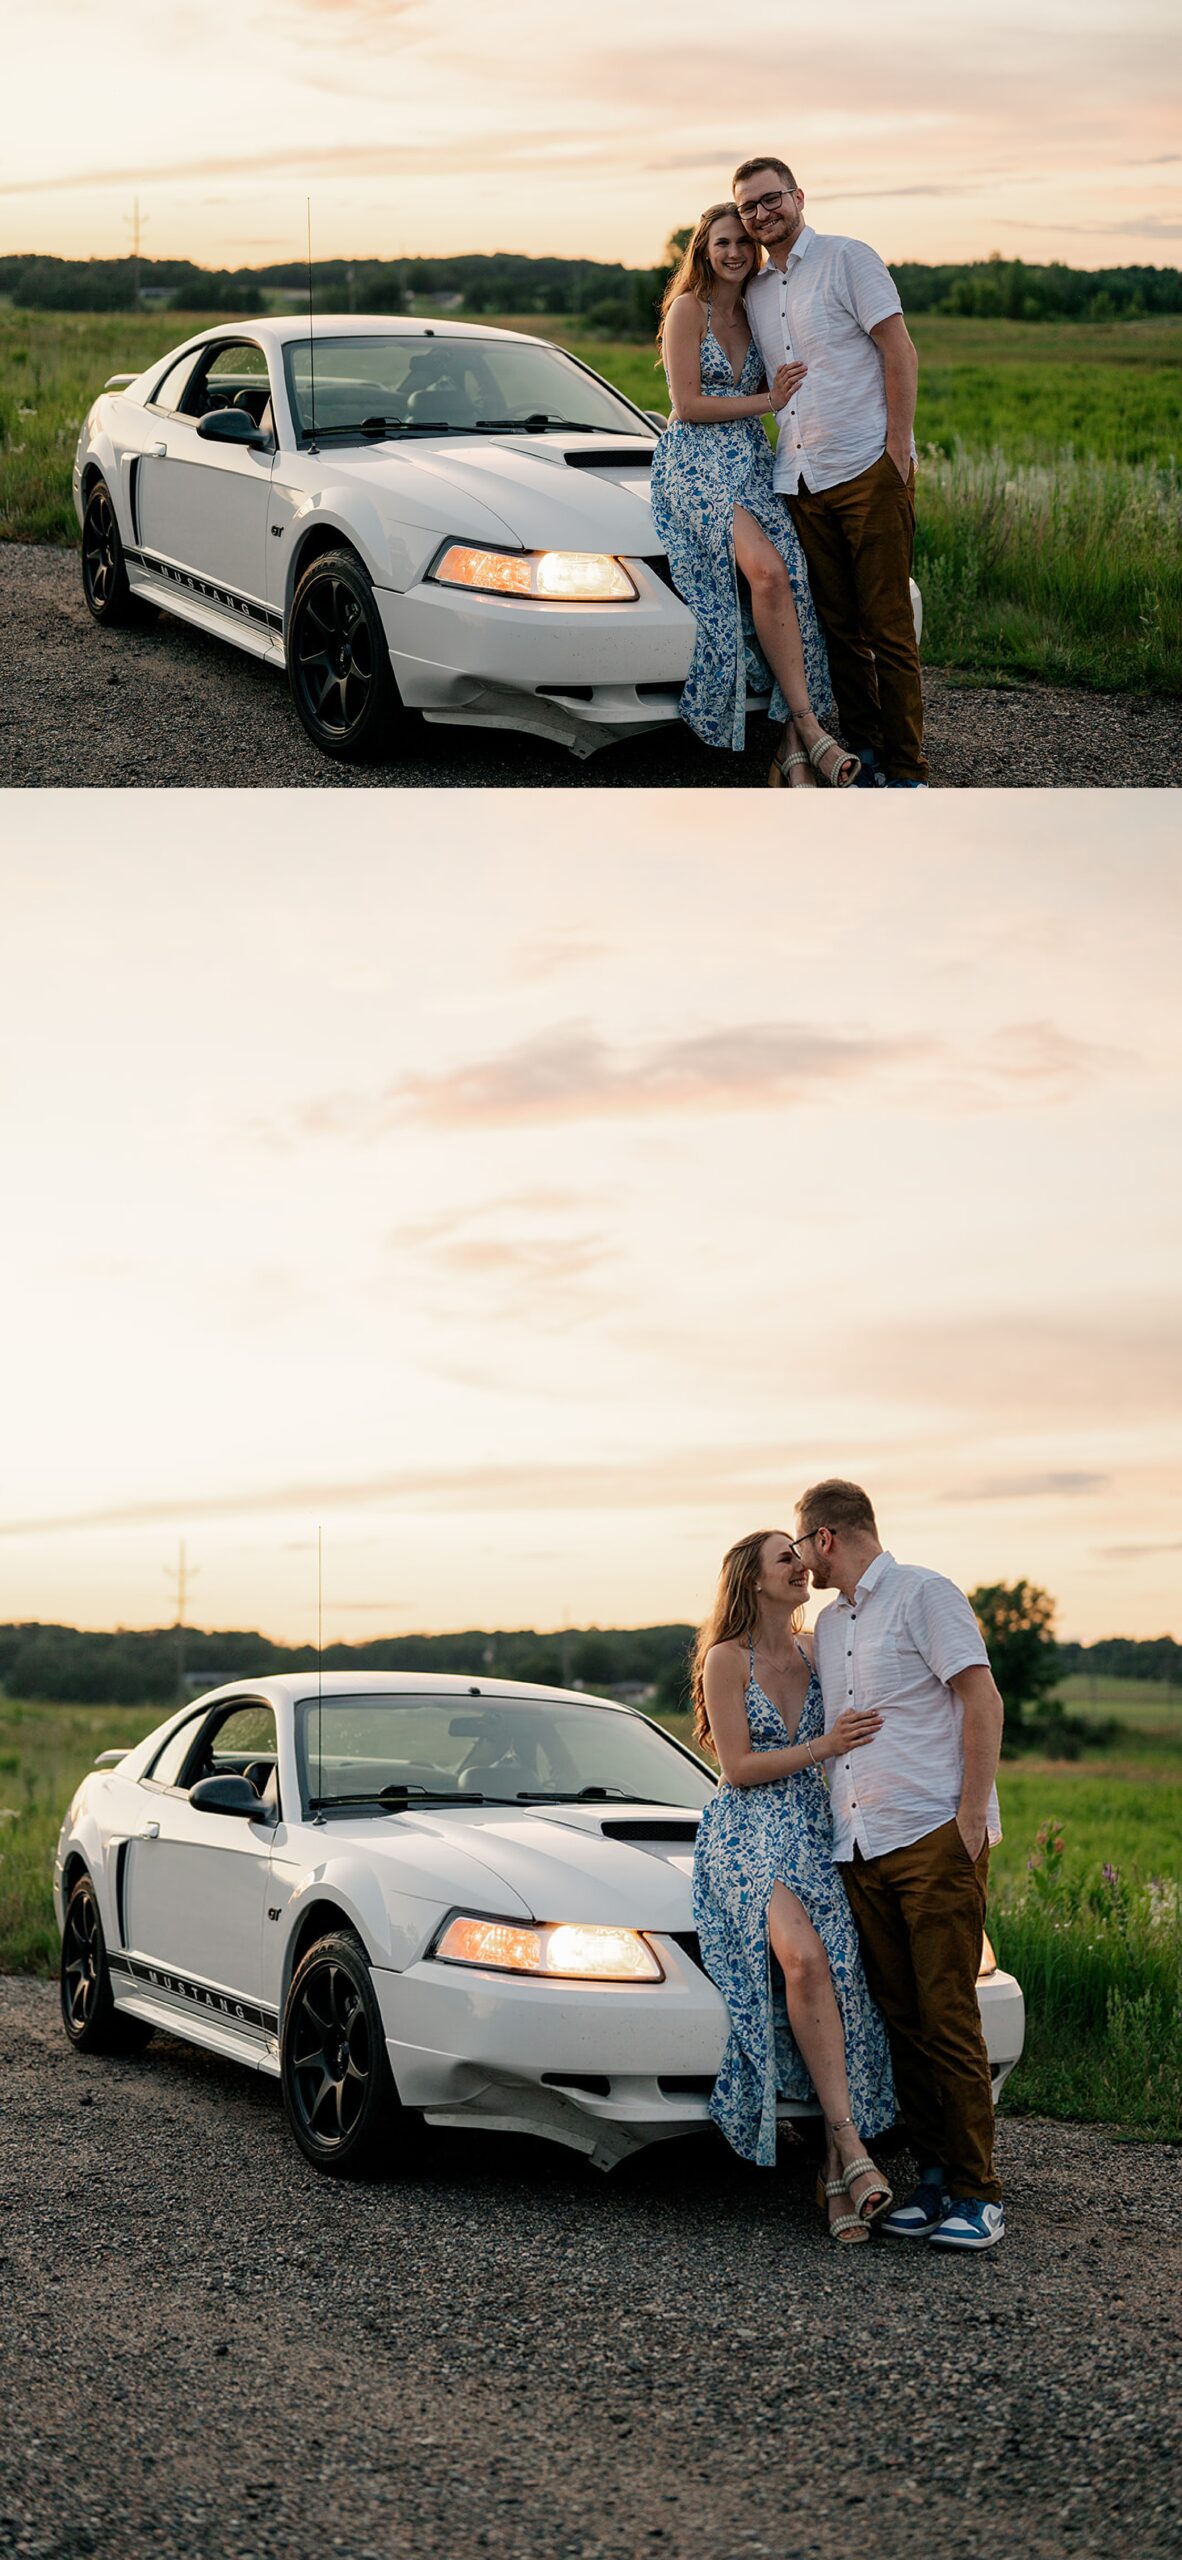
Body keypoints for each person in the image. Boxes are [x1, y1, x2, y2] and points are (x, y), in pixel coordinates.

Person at [794, 1479, 1006, 2251]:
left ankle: (981, 2193)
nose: (802, 1560)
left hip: (930, 1837)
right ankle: (938, 2179)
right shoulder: (825, 1622)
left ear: (825, 1538)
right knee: (903, 2021)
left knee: (948, 2014)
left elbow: (981, 1699)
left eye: (802, 1544)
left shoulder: (925, 1593)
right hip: (860, 1845)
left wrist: (969, 1818)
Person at [691, 1528, 896, 2239]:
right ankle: (851, 2147)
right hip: (745, 1830)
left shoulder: (818, 1649)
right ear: (753, 1579)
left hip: (815, 1825)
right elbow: (739, 1767)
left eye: (801, 1556)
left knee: (840, 1970)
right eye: (787, 1558)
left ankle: (835, 2175)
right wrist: (823, 1745)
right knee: (803, 1958)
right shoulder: (725, 1659)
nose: (802, 1567)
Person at [733, 157, 927, 788]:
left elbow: (898, 349)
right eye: (749, 207)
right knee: (841, 632)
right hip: (802, 479)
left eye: (771, 200)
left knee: (888, 628)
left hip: (865, 465)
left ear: (798, 197)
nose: (762, 214)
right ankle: (867, 755)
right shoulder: (757, 293)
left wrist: (896, 448)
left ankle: (908, 771)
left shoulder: (849, 258)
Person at [649, 204, 859, 786]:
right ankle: (809, 726)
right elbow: (688, 406)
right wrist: (768, 401)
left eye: (744, 241)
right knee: (766, 572)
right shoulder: (688, 310)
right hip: (694, 461)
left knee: (795, 575)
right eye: (723, 242)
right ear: (703, 249)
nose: (736, 251)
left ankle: (791, 753)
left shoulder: (762, 307)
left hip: (752, 460)